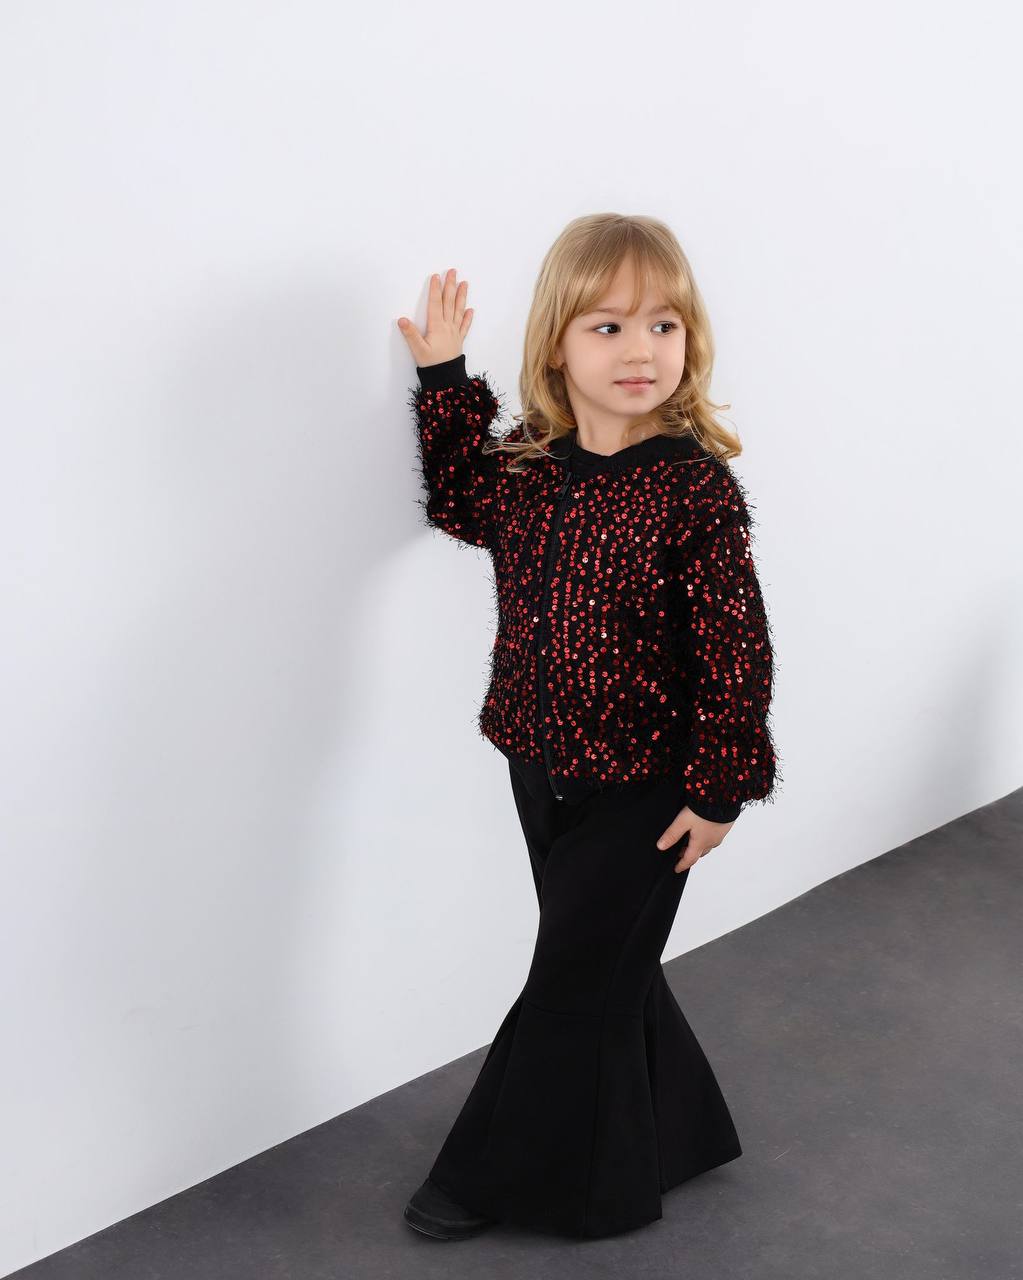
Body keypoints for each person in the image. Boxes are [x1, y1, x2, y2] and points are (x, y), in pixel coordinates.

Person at [395, 214, 781, 1242]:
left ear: (689, 338)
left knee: (571, 977)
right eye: (608, 327)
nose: (640, 349)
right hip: (538, 762)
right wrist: (443, 379)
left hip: (650, 783)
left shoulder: (692, 489)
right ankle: (681, 1127)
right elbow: (456, 500)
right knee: (607, 961)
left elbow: (736, 650)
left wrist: (719, 788)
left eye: (663, 324)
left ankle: (486, 1175)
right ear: (558, 344)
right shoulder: (530, 468)